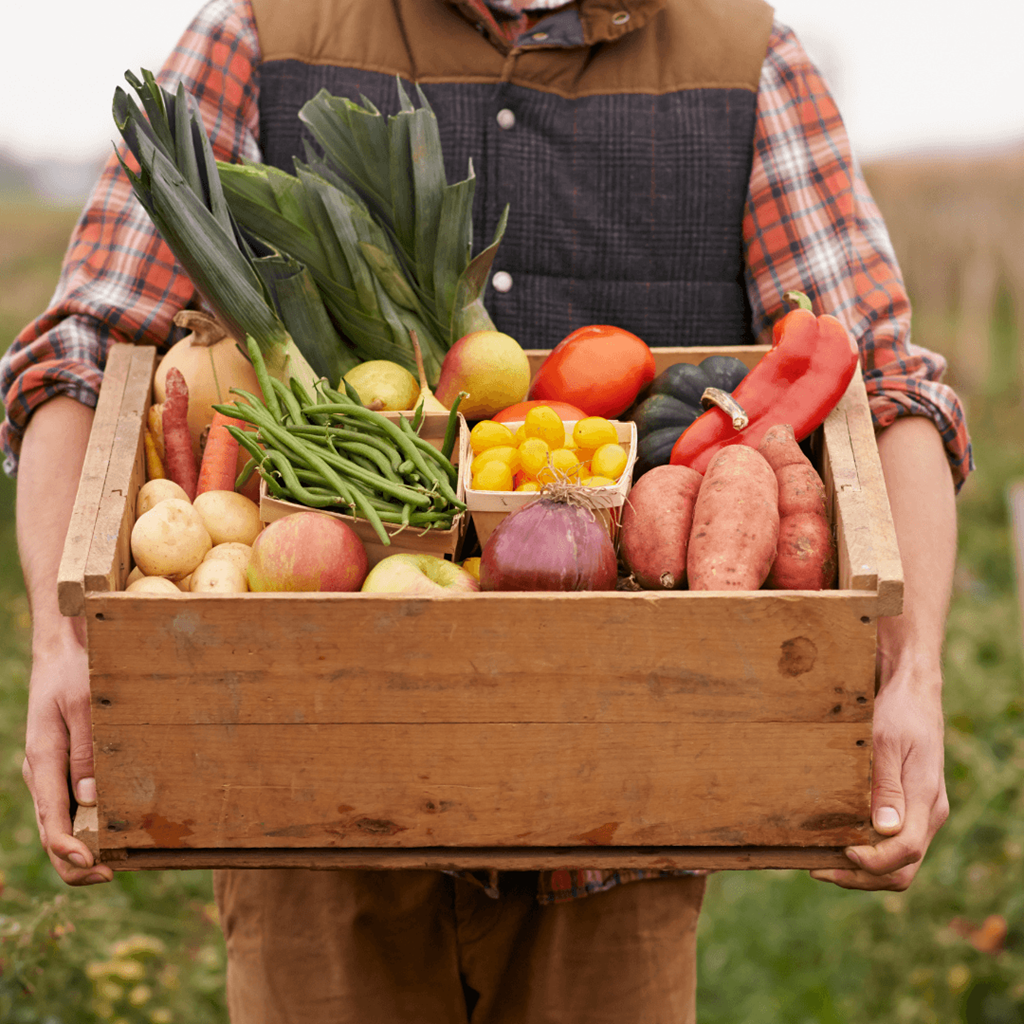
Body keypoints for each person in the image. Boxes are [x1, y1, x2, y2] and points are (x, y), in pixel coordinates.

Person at [2, 0, 972, 1020]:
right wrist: (65, 644)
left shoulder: (743, 57)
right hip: (317, 808)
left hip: (625, 817)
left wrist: (912, 675)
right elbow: (82, 355)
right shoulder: (266, 31)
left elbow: (888, 388)